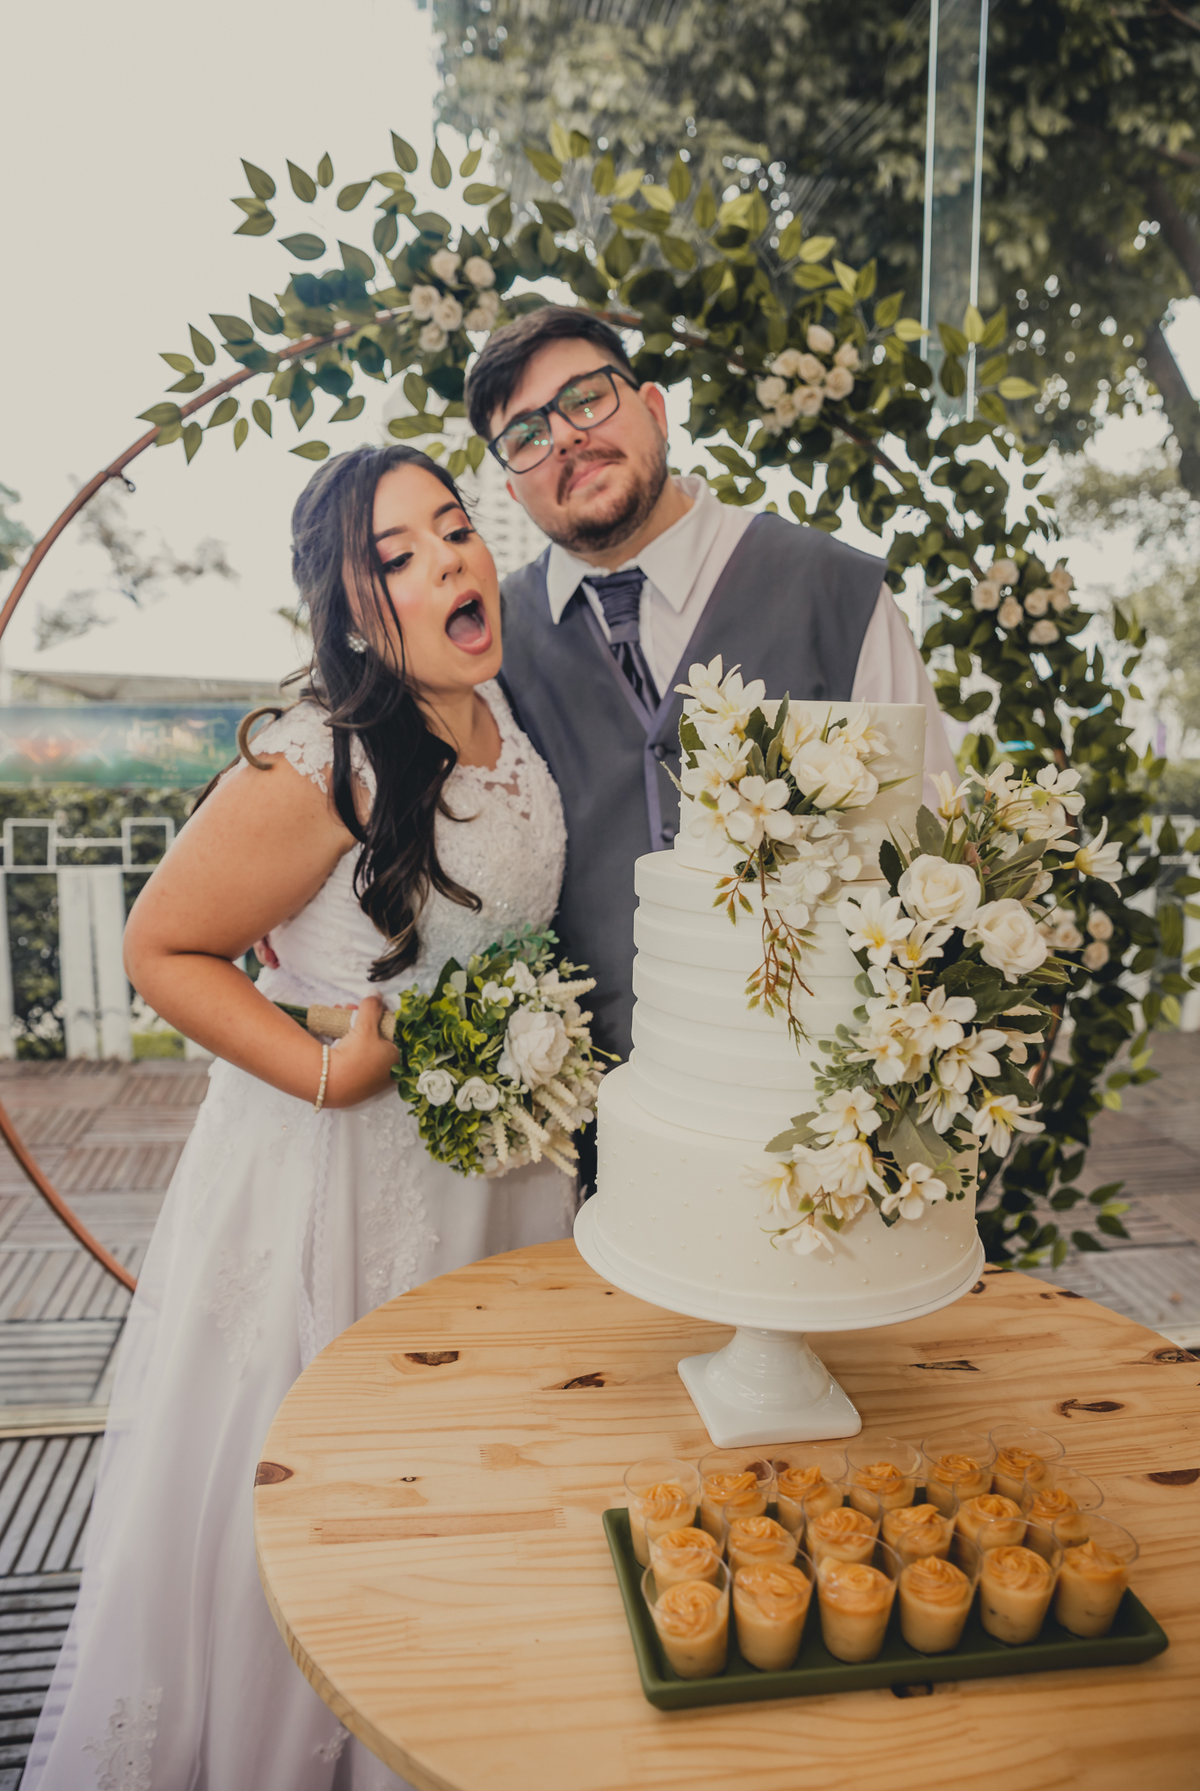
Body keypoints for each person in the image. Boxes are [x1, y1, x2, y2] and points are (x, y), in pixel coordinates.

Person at [23, 445, 575, 1791]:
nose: (449, 558)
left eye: (454, 528)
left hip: (496, 1181)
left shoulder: (505, 711)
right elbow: (164, 948)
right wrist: (326, 1067)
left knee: (472, 1487)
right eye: (397, 553)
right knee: (323, 1490)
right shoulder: (321, 759)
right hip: (340, 1174)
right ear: (350, 608)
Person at [466, 305, 958, 1063]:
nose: (563, 436)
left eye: (586, 398)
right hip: (589, 1122)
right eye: (526, 437)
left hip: (815, 1098)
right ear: (511, 490)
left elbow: (926, 847)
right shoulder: (489, 644)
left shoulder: (833, 589)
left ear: (655, 409)